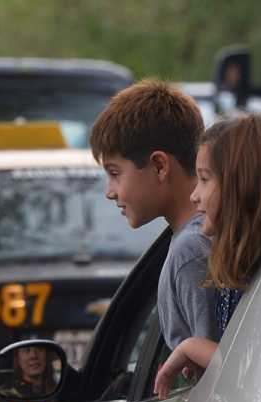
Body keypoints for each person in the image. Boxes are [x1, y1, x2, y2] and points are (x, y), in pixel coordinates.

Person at [153, 113, 261, 399]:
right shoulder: (242, 270)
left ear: (241, 186)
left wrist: (192, 347)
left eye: (204, 179)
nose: (194, 195)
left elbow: (254, 374)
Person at [88, 79, 220, 350]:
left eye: (115, 174)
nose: (109, 192)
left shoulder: (192, 250)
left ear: (159, 166)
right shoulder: (195, 238)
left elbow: (212, 377)